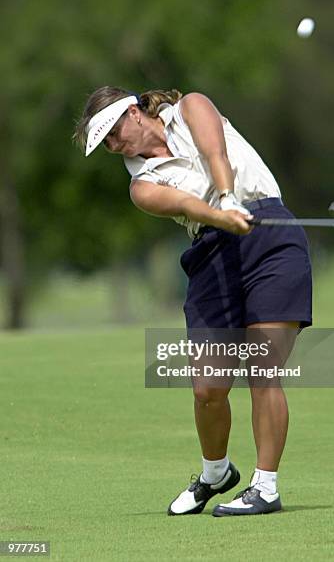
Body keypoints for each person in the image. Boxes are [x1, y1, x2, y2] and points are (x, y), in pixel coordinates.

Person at [73, 87, 312, 517]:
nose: (114, 145)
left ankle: (266, 487)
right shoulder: (141, 185)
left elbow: (215, 151)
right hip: (212, 254)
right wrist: (220, 215)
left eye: (112, 131)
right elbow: (184, 204)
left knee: (264, 369)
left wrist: (227, 197)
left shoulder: (190, 108)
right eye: (105, 143)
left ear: (133, 111)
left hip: (272, 238)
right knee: (207, 389)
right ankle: (216, 473)